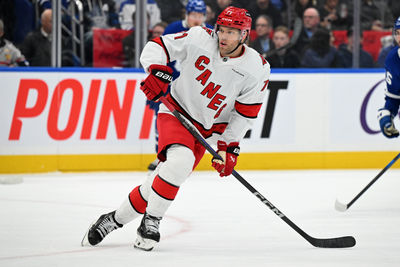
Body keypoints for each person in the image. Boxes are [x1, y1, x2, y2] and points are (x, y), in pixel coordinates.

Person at [82, 6, 270, 251]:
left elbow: (244, 114)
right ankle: (151, 221)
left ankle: (113, 220)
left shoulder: (257, 67)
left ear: (244, 35)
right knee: (180, 163)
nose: (224, 37)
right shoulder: (199, 37)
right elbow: (157, 47)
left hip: (206, 132)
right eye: (222, 30)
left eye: (232, 33)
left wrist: (230, 147)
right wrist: (156, 71)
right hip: (176, 112)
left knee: (161, 182)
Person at [377, 16, 400, 139]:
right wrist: (386, 116)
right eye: (397, 33)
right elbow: (394, 99)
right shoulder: (393, 59)